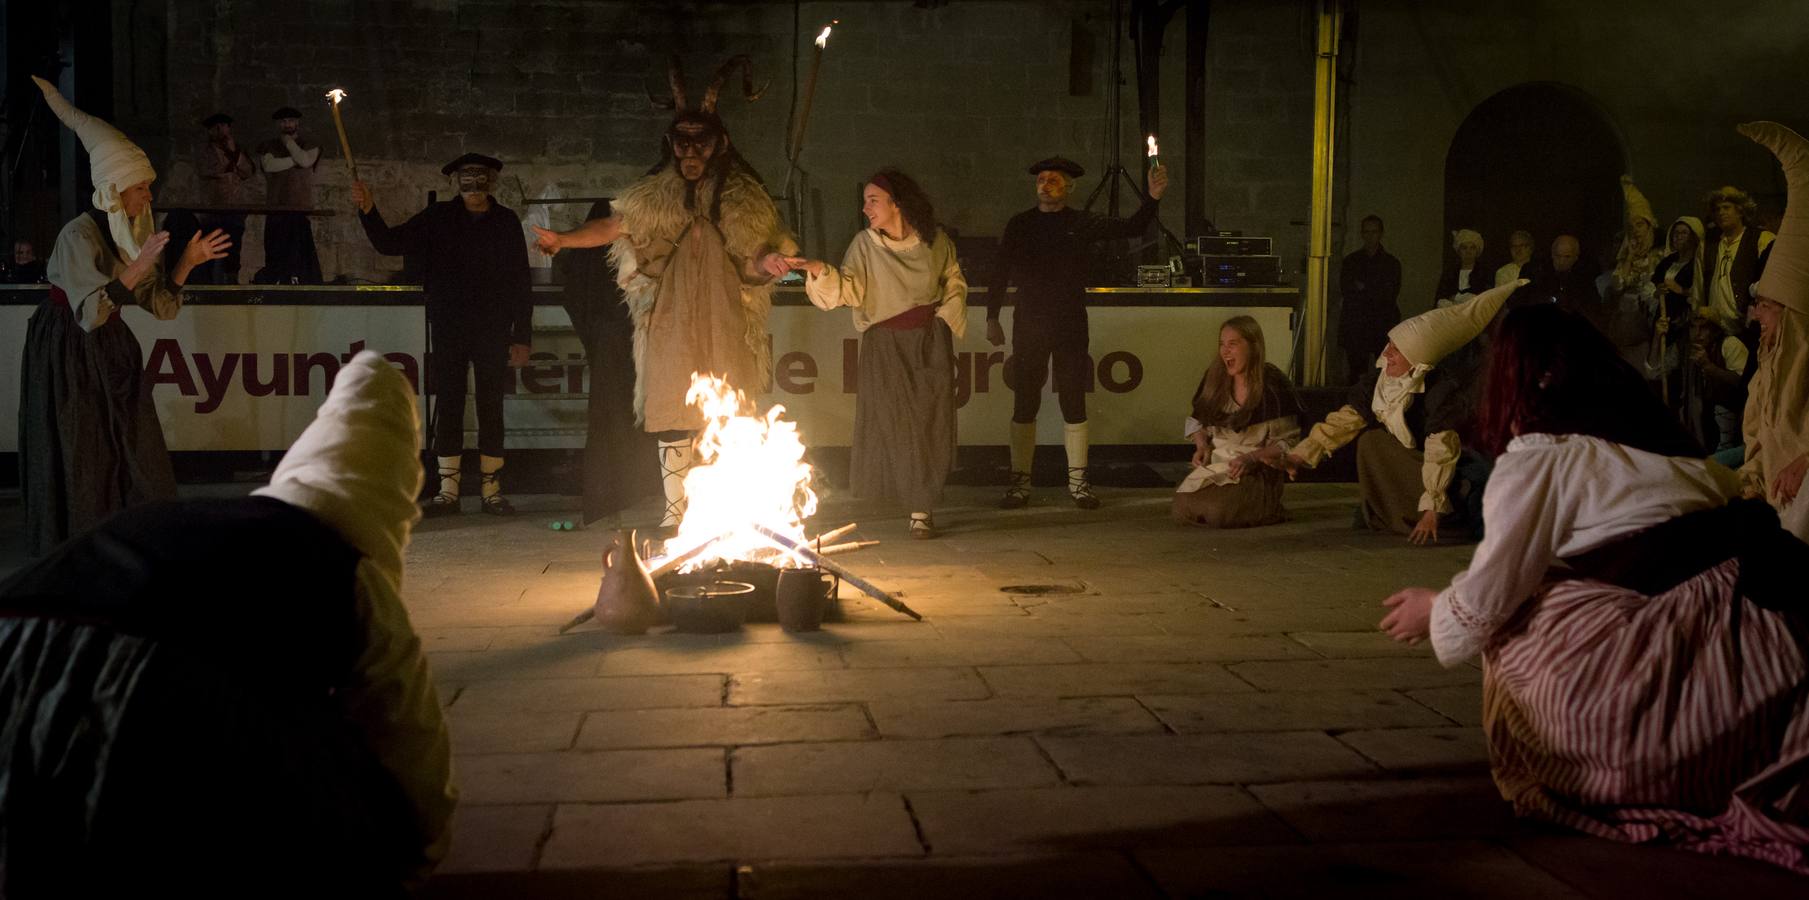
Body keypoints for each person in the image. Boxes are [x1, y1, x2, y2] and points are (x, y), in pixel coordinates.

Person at [0, 351, 456, 893]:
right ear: (391, 505)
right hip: (153, 693)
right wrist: (410, 854)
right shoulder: (347, 569)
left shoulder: (182, 518)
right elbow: (408, 738)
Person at [1377, 302, 1809, 873]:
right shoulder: (1661, 440)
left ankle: (1604, 769)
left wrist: (1434, 610)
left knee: (1525, 624)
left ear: (1531, 378)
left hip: (1705, 679)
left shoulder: (1543, 458)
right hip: (1777, 659)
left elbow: (1485, 601)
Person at [531, 56, 794, 536]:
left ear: (719, 145)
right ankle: (676, 508)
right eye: (683, 140)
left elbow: (754, 257)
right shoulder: (653, 198)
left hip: (724, 321)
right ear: (671, 145)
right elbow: (613, 226)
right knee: (674, 409)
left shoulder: (741, 199)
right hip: (670, 323)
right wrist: (564, 240)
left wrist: (769, 262)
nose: (691, 150)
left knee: (730, 411)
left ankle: (733, 509)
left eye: (702, 140)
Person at [17, 77, 230, 557]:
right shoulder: (79, 236)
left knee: (134, 444)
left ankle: (135, 536)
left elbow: (161, 305)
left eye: (148, 189)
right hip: (67, 347)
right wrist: (136, 267)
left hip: (110, 345)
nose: (146, 199)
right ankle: (81, 546)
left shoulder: (134, 234)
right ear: (114, 190)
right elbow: (89, 312)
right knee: (84, 448)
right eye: (140, 190)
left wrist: (186, 264)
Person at [790, 169, 967, 539]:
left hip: (929, 339)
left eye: (873, 200)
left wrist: (945, 319)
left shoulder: (935, 241)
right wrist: (821, 270)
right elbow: (850, 290)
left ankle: (923, 506)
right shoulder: (865, 245)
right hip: (886, 343)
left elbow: (953, 279)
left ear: (896, 203)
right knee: (896, 421)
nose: (865, 207)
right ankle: (912, 502)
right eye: (866, 199)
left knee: (930, 419)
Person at [353, 153, 532, 517]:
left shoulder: (506, 222)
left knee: (490, 404)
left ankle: (491, 490)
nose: (474, 186)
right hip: (449, 325)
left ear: (491, 182)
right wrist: (368, 209)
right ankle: (447, 491)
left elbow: (519, 281)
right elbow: (389, 243)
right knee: (448, 402)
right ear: (456, 183)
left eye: (480, 178)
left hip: (492, 327)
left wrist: (521, 335)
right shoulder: (438, 218)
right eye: (467, 178)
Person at [985, 156, 1168, 510]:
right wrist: (991, 316)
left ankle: (1078, 484)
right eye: (1041, 178)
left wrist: (1154, 197)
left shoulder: (1081, 222)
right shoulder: (1020, 224)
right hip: (1029, 321)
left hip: (1069, 321)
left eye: (1054, 179)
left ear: (1070, 187)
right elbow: (1000, 270)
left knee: (1073, 399)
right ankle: (1020, 484)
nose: (1046, 183)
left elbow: (1132, 228)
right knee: (1025, 400)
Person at [1281, 279, 1525, 544]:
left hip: (1449, 467)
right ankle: (1395, 510)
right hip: (1414, 459)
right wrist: (1300, 455)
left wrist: (1432, 508)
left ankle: (1437, 517)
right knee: (1372, 442)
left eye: (1396, 350)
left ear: (1416, 356)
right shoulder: (1379, 382)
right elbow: (1345, 421)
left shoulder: (1440, 392)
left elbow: (1440, 452)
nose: (1387, 354)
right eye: (1388, 345)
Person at [555, 199, 658, 525]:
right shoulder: (609, 252)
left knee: (620, 413)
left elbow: (574, 294)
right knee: (634, 413)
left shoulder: (595, 259)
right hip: (621, 340)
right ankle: (644, 489)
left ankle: (622, 492)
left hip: (615, 340)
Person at [1736, 121, 1809, 544]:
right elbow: (1759, 446)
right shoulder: (1770, 369)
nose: (1756, 317)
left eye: (1766, 307)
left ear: (1796, 318)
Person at [1172, 315, 1301, 527]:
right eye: (1222, 344)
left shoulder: (1272, 385)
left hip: (1255, 469)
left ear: (1253, 346)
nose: (1225, 351)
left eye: (1233, 344)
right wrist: (1202, 445)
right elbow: (1199, 420)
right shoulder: (1216, 380)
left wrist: (1252, 457)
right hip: (1219, 464)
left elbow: (1287, 443)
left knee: (1217, 512)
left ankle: (1266, 507)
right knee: (1183, 508)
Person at [1607, 175, 1667, 380]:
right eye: (1632, 227)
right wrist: (1628, 260)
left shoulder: (1659, 256)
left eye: (1640, 225)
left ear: (1649, 226)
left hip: (1647, 326)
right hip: (1625, 326)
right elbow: (1616, 285)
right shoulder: (1626, 259)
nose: (1636, 231)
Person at [256, 105, 322, 284]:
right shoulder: (268, 145)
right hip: (276, 207)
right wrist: (296, 160)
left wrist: (289, 144)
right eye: (284, 121)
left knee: (298, 252)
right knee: (276, 251)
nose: (287, 124)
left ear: (297, 122)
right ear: (278, 124)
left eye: (291, 121)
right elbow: (270, 165)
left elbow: (306, 160)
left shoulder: (310, 143)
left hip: (299, 208)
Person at [1702, 183, 1776, 335]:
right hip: (1714, 328)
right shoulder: (1708, 246)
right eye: (1717, 209)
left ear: (1740, 211)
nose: (1721, 212)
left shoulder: (1761, 239)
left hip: (1748, 326)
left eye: (1726, 207)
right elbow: (1699, 287)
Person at [1337, 214, 1402, 384]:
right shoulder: (1352, 261)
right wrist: (1373, 289)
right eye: (1366, 232)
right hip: (1357, 323)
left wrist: (1365, 288)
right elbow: (1347, 290)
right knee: (1357, 371)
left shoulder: (1391, 263)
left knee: (1385, 371)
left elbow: (1389, 294)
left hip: (1381, 322)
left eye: (1373, 232)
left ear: (1380, 233)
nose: (1370, 236)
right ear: (1361, 234)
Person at [194, 112, 255, 283]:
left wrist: (233, 152)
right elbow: (213, 170)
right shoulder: (204, 151)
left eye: (224, 126)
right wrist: (230, 167)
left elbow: (247, 171)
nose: (221, 131)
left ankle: (231, 279)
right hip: (212, 210)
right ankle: (209, 282)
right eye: (216, 127)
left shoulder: (237, 149)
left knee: (233, 248)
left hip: (235, 209)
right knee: (211, 247)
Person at [1654, 215, 1706, 407]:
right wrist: (1657, 291)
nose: (1678, 237)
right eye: (1676, 233)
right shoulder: (1668, 261)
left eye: (1684, 233)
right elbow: (1655, 283)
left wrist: (1681, 290)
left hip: (1684, 324)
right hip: (1664, 320)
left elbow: (1700, 291)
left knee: (1681, 375)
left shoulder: (1698, 264)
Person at [1434, 228, 1487, 307]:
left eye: (1472, 248)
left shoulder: (1484, 273)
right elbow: (1440, 296)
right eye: (1464, 248)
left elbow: (1486, 298)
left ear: (1477, 251)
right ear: (1459, 251)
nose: (1468, 252)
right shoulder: (1449, 273)